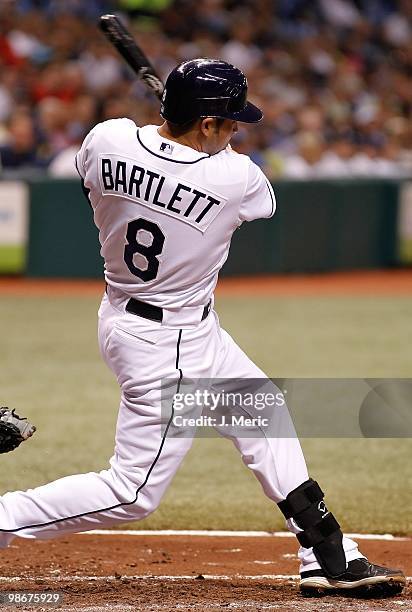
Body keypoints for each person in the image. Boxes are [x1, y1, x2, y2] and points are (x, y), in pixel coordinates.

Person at [0, 59, 405, 597]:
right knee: (132, 492)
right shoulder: (235, 177)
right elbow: (259, 198)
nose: (236, 131)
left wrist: (177, 131)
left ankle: (325, 551)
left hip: (139, 319)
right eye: (230, 123)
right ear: (208, 124)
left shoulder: (107, 140)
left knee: (261, 408)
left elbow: (134, 152)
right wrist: (196, 142)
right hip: (168, 345)